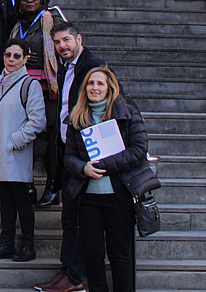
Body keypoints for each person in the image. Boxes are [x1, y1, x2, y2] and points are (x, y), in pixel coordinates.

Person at [33, 22, 105, 292]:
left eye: (66, 40)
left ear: (79, 39)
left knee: (80, 218)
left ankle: (75, 277)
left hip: (86, 153)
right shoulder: (65, 67)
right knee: (69, 217)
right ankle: (66, 270)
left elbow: (103, 103)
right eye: (58, 42)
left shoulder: (92, 65)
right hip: (67, 150)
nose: (62, 46)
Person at [64, 67, 146, 292]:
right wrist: (83, 168)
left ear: (110, 88)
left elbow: (139, 149)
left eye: (100, 84)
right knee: (92, 256)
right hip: (89, 198)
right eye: (90, 84)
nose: (95, 88)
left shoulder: (127, 113)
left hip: (120, 196)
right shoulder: (77, 117)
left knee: (120, 256)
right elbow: (68, 157)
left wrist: (103, 165)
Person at [0, 39, 46, 263]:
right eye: (7, 54)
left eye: (17, 56)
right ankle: (6, 243)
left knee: (21, 199)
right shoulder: (0, 80)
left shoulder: (30, 84)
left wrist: (15, 141)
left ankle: (28, 245)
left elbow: (37, 121)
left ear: (26, 59)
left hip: (14, 152)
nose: (11, 59)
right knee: (6, 199)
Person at [11, 0, 63, 209]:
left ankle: (52, 187)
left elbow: (62, 47)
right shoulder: (16, 27)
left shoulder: (50, 20)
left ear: (41, 2)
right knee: (27, 135)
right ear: (19, 4)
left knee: (50, 135)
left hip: (46, 87)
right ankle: (27, 185)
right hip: (23, 87)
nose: (30, 1)